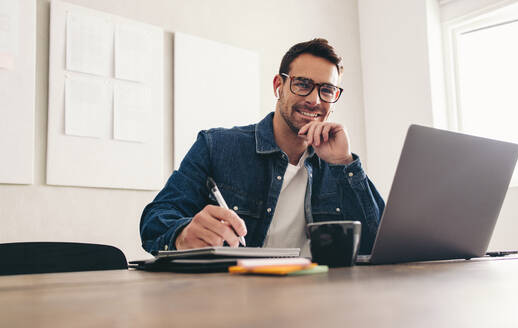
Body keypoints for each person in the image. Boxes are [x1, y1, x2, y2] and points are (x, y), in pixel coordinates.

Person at [140, 38, 384, 256]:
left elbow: (379, 244)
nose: (314, 99)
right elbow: (155, 220)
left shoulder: (337, 162)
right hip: (235, 296)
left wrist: (345, 164)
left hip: (317, 296)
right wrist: (183, 234)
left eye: (327, 90)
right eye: (302, 84)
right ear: (279, 86)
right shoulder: (216, 146)